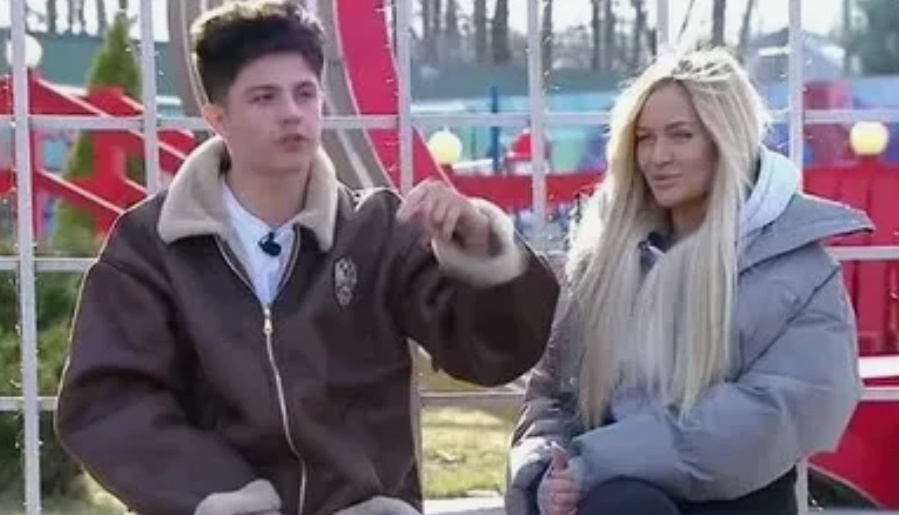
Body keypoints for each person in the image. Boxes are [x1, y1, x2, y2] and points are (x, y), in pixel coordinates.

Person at [54, 3, 560, 515]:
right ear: (217, 118)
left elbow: (495, 355)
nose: (291, 113)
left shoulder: (377, 230)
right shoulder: (153, 244)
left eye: (305, 93)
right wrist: (221, 496)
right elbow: (108, 401)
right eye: (264, 97)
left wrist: (482, 252)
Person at [506, 48, 873, 515]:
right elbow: (554, 398)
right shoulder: (604, 258)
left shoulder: (799, 269)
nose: (658, 157)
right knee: (623, 505)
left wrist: (595, 462)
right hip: (613, 498)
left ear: (726, 139)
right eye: (644, 138)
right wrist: (543, 474)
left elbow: (771, 416)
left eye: (681, 135)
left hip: (737, 502)